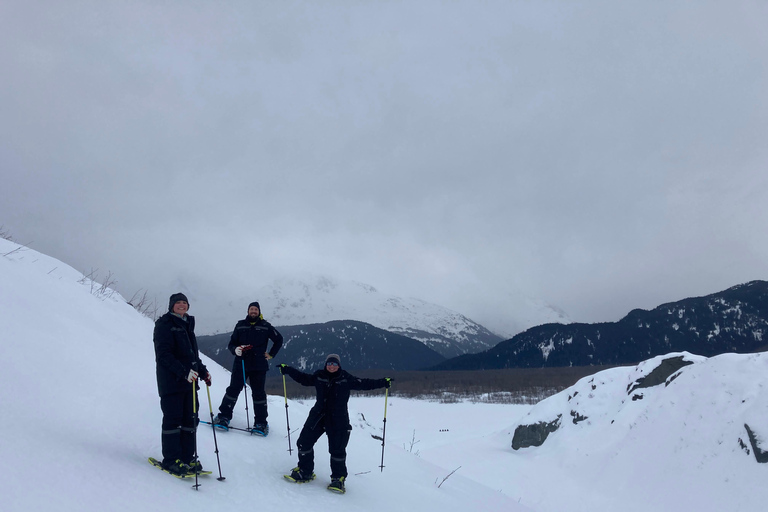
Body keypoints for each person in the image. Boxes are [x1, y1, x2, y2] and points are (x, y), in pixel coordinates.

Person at [279, 354, 392, 493]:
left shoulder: (345, 378)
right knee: (304, 442)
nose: (331, 366)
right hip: (318, 415)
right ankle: (305, 471)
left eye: (334, 364)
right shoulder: (319, 375)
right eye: (329, 364)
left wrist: (383, 382)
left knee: (337, 450)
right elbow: (303, 379)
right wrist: (288, 370)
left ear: (339, 365)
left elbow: (364, 383)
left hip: (338, 418)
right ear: (325, 365)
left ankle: (338, 479)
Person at [153, 292, 211, 476]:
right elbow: (163, 355)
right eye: (177, 302)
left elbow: (192, 356)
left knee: (190, 419)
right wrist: (183, 371)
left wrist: (203, 371)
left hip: (190, 382)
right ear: (171, 306)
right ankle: (171, 459)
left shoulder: (187, 325)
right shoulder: (164, 325)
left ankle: (187, 457)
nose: (181, 305)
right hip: (171, 382)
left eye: (184, 302)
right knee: (173, 420)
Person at [213, 301, 283, 435]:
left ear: (259, 312)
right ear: (248, 311)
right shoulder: (240, 325)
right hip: (241, 363)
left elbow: (279, 339)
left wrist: (271, 354)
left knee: (259, 394)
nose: (253, 311)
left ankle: (261, 423)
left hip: (259, 365)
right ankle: (223, 417)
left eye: (256, 309)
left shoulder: (265, 326)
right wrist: (235, 350)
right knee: (233, 390)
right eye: (251, 309)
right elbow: (231, 343)